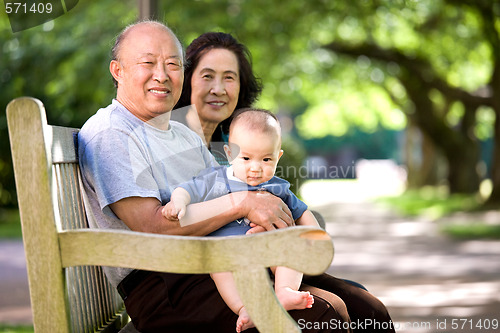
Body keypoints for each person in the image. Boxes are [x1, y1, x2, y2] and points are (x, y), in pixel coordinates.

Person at [78, 20, 351, 333]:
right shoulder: (113, 133)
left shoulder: (183, 134)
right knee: (324, 314)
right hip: (168, 286)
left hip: (218, 259)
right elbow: (152, 227)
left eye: (172, 64)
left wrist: (261, 225)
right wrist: (242, 205)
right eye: (148, 63)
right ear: (118, 70)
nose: (162, 75)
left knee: (362, 306)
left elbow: (226, 187)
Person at [175, 31, 396, 333]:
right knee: (331, 311)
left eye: (229, 78)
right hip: (215, 268)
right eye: (207, 76)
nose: (218, 88)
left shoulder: (245, 135)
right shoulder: (174, 142)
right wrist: (244, 209)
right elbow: (179, 215)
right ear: (187, 81)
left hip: (270, 258)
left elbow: (296, 215)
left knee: (369, 308)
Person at [164, 108, 319, 332]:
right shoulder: (215, 180)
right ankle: (243, 308)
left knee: (291, 248)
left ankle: (283, 291)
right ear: (229, 153)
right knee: (218, 268)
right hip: (228, 254)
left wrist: (314, 236)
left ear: (278, 156)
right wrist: (178, 202)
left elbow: (302, 212)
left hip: (268, 250)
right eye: (245, 158)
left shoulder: (277, 186)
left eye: (266, 159)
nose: (255, 168)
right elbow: (187, 189)